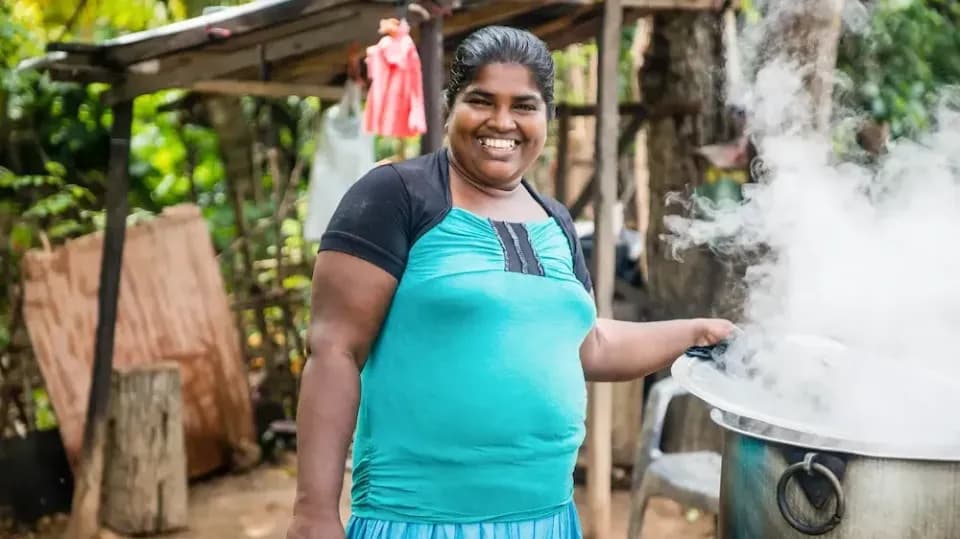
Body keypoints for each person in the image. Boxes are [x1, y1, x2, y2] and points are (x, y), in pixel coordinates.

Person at [287, 26, 736, 539]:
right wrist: (314, 512)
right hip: (421, 521)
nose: (502, 122)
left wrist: (696, 332)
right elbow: (333, 350)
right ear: (450, 106)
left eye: (523, 105)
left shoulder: (556, 221)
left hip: (546, 521)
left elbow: (590, 344)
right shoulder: (395, 197)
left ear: (547, 116)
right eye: (481, 100)